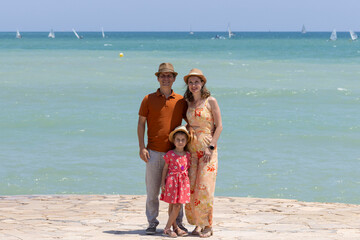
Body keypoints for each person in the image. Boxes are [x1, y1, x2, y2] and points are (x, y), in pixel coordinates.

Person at [137, 63, 188, 235]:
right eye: (163, 76)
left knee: (178, 192)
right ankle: (152, 223)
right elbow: (141, 123)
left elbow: (191, 122)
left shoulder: (181, 101)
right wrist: (141, 147)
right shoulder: (148, 99)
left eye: (169, 76)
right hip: (153, 153)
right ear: (158, 78)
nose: (166, 79)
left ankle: (177, 223)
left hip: (175, 154)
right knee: (152, 191)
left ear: (174, 79)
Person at [183, 68, 223, 238]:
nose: (193, 85)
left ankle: (208, 224)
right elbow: (188, 123)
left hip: (208, 151)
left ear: (202, 83)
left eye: (196, 82)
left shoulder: (210, 101)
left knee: (205, 189)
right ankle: (197, 225)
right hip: (191, 151)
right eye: (191, 82)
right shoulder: (188, 103)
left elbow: (219, 126)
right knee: (191, 189)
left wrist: (211, 146)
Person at [160, 125, 191, 237]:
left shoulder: (188, 155)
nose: (180, 142)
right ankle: (168, 228)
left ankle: (174, 227)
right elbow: (165, 169)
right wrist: (162, 182)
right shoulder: (170, 154)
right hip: (172, 181)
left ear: (186, 141)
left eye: (183, 140)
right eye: (178, 140)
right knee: (174, 206)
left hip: (182, 183)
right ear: (174, 141)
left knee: (177, 205)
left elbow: (188, 170)